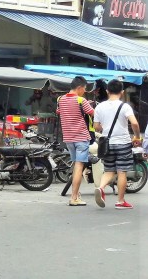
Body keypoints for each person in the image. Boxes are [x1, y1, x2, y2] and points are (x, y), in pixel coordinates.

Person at [93, 80, 140, 209]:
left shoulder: (99, 107)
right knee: (121, 172)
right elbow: (134, 123)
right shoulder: (125, 106)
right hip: (123, 143)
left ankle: (101, 188)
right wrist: (137, 137)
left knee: (109, 170)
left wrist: (105, 128)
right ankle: (120, 201)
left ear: (107, 91)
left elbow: (96, 126)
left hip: (107, 143)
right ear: (122, 92)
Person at [57, 76, 94, 206]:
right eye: (84, 88)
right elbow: (93, 113)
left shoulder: (60, 99)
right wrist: (89, 105)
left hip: (68, 138)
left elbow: (59, 112)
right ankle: (74, 198)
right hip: (81, 138)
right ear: (79, 88)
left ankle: (76, 194)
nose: (85, 91)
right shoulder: (81, 100)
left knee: (76, 166)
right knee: (79, 166)